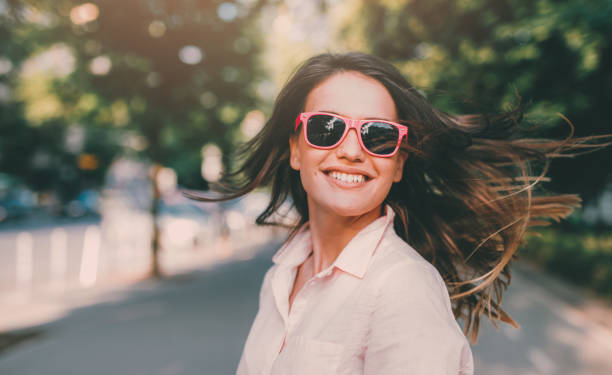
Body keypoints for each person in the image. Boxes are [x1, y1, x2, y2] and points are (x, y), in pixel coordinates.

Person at [187, 52, 607, 374]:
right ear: (296, 149)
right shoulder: (281, 275)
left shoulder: (402, 290)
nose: (351, 151)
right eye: (326, 128)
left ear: (399, 162)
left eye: (378, 135)